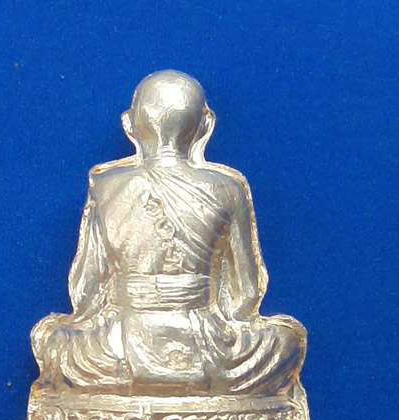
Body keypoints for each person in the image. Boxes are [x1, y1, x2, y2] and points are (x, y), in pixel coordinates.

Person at [31, 70, 307, 398]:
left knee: (53, 342)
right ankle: (208, 383)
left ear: (130, 124)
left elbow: (87, 288)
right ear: (205, 126)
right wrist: (228, 329)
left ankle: (129, 385)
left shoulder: (105, 187)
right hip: (208, 347)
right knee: (286, 342)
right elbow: (246, 293)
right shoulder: (228, 189)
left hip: (116, 349)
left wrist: (92, 323)